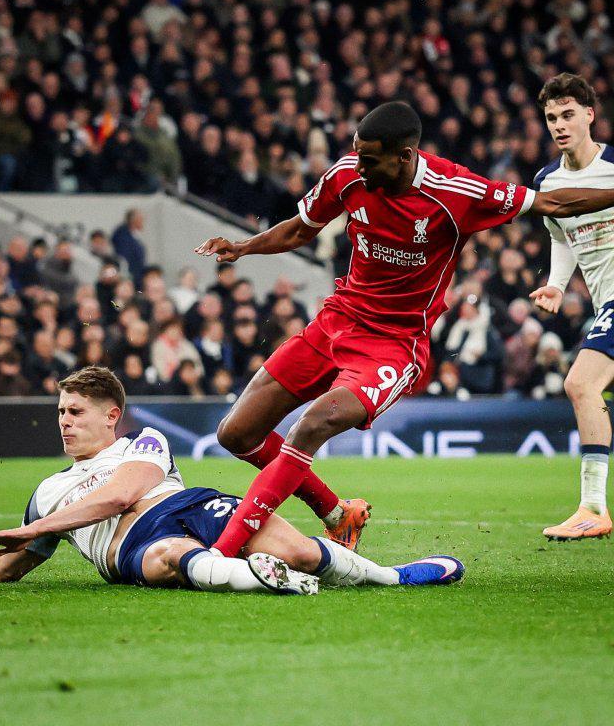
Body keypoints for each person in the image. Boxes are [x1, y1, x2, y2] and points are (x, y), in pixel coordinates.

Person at [195, 99, 614, 560]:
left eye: (370, 160)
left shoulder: (456, 190)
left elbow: (552, 202)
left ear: (405, 156)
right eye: (357, 154)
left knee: (312, 424)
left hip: (393, 345)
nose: (360, 167)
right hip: (337, 321)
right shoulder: (347, 173)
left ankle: (221, 554)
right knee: (236, 433)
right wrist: (244, 247)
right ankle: (338, 514)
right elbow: (299, 230)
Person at [0, 366, 464, 593]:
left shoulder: (143, 441)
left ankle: (393, 576)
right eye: (61, 412)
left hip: (190, 505)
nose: (64, 421)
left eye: (75, 412)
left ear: (111, 416)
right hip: (132, 547)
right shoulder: (46, 493)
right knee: (171, 555)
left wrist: (35, 529)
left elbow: (121, 495)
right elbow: (2, 571)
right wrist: (28, 533)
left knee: (299, 551)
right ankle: (274, 583)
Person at [529, 73, 614, 540]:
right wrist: (557, 286)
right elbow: (561, 238)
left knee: (581, 383)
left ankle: (593, 507)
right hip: (605, 304)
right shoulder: (548, 181)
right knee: (589, 388)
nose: (559, 125)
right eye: (551, 118)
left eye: (567, 115)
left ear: (589, 115)